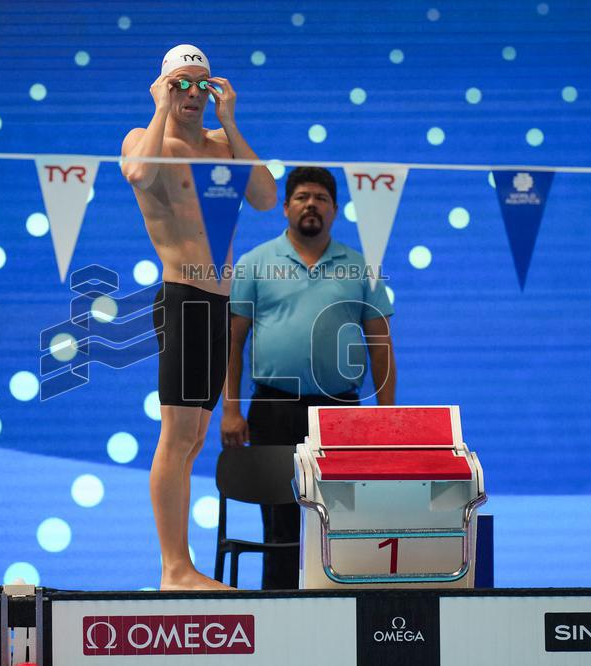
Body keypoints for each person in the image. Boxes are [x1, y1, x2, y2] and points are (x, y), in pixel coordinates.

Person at [120, 44, 277, 590]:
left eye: (200, 86)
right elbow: (139, 174)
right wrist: (159, 106)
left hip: (218, 304)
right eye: (180, 84)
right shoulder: (147, 141)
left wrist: (231, 121)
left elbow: (264, 197)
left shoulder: (222, 148)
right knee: (177, 433)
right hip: (184, 298)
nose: (191, 94)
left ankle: (180, 565)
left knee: (192, 440)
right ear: (163, 87)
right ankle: (174, 569)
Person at [221, 166, 396, 589]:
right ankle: (277, 618)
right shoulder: (254, 263)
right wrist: (230, 409)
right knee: (279, 526)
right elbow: (233, 343)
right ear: (285, 207)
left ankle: (342, 607)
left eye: (320, 197)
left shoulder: (360, 268)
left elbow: (381, 346)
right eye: (301, 197)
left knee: (341, 521)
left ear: (335, 209)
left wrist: (388, 419)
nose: (311, 204)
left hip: (340, 414)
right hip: (272, 408)